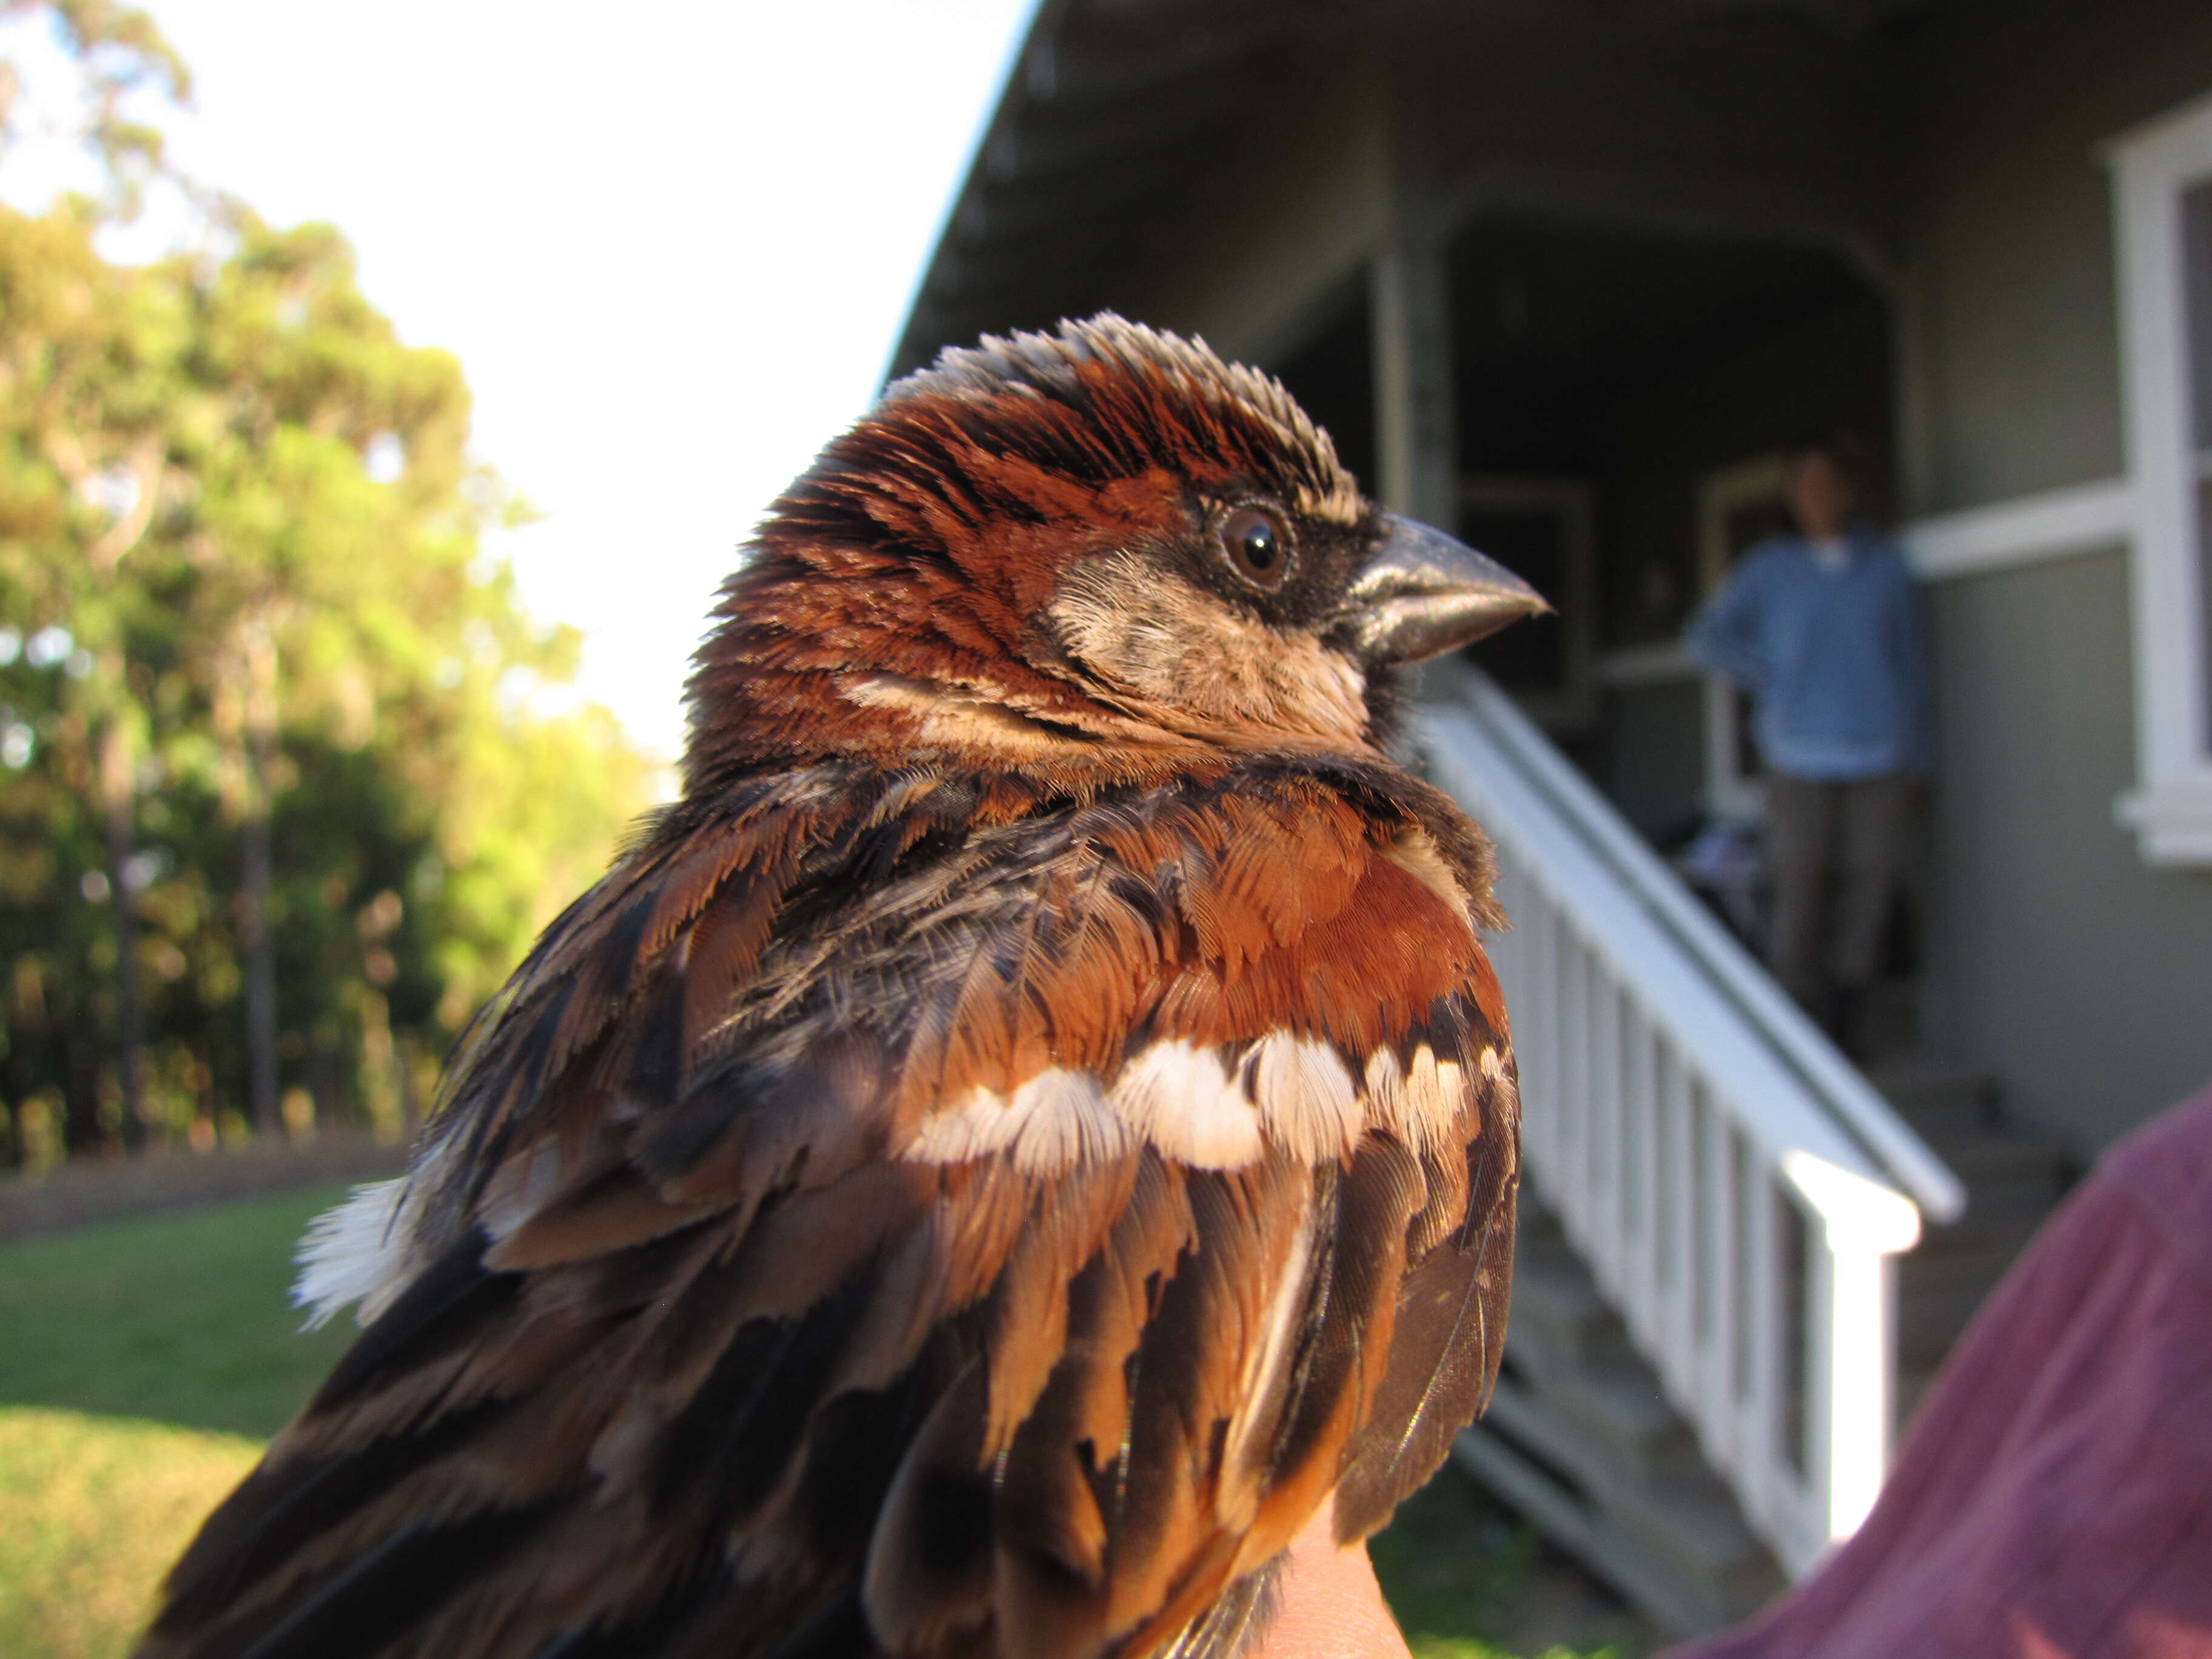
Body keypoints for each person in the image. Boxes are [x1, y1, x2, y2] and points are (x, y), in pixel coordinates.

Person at [1684, 437, 1931, 1051]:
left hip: (1879, 751)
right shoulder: (1770, 568)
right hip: (1796, 750)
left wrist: (1920, 755)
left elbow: (1912, 667)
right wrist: (1772, 672)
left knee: (1870, 883)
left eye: (1829, 482)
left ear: (1848, 490)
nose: (1818, 496)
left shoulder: (1886, 568)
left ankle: (1848, 1016)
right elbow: (1706, 636)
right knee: (1798, 879)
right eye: (1806, 485)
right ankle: (1794, 1022)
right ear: (1794, 496)